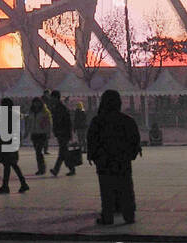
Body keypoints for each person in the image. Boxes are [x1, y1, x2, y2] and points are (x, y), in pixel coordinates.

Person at [85, 88, 141, 225]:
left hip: (104, 160)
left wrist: (93, 156)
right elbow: (135, 140)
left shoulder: (98, 121)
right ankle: (129, 215)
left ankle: (107, 216)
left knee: (106, 189)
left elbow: (92, 140)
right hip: (122, 159)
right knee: (126, 187)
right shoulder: (127, 120)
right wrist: (131, 155)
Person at [0, 98, 29, 194]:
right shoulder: (12, 115)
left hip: (7, 142)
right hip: (11, 142)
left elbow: (4, 129)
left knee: (9, 164)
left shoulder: (7, 115)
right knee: (10, 164)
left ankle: (12, 185)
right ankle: (18, 184)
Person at [48, 90, 76, 176]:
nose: (51, 99)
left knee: (62, 152)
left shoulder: (62, 108)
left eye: (52, 97)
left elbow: (68, 122)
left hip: (64, 133)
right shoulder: (56, 107)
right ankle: (71, 168)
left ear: (56, 98)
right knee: (64, 152)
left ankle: (57, 169)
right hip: (60, 133)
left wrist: (69, 133)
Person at [28, 97, 51, 175]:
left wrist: (48, 132)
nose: (36, 104)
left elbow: (48, 123)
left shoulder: (45, 112)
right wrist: (28, 132)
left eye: (37, 102)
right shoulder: (31, 111)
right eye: (34, 102)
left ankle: (42, 168)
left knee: (38, 151)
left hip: (42, 133)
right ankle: (41, 168)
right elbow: (29, 122)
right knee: (37, 152)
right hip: (34, 134)